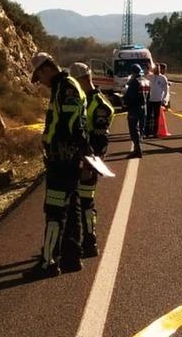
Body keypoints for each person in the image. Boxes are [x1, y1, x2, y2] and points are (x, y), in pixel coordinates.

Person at [28, 52, 91, 278]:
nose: (40, 82)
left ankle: (49, 262)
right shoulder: (61, 87)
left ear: (46, 69)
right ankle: (72, 258)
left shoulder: (66, 88)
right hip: (65, 160)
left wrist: (81, 152)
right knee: (71, 207)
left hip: (63, 162)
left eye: (39, 77)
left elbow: (72, 126)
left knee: (54, 211)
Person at [69, 63, 115, 258]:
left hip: (89, 162)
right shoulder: (82, 99)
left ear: (81, 79)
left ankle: (90, 242)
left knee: (86, 203)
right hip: (77, 159)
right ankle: (75, 241)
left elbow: (99, 140)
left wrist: (89, 166)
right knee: (76, 203)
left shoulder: (99, 104)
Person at [123, 64, 149, 158]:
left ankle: (137, 150)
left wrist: (124, 100)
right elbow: (148, 95)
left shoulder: (134, 82)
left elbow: (130, 96)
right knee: (141, 129)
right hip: (144, 107)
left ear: (133, 72)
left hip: (134, 108)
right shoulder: (146, 81)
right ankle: (138, 148)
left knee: (133, 129)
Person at [146, 64, 169, 137]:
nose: (157, 70)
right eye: (156, 68)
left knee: (156, 117)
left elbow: (166, 90)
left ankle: (155, 133)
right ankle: (146, 132)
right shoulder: (149, 76)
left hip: (158, 100)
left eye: (158, 68)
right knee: (148, 116)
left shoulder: (163, 78)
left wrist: (164, 99)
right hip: (150, 100)